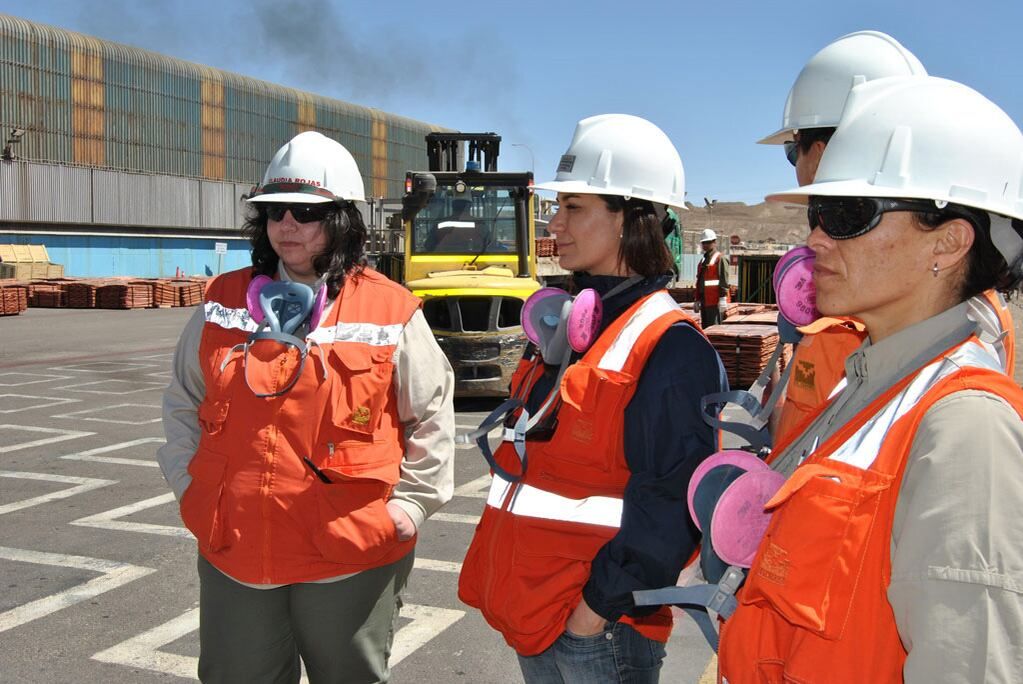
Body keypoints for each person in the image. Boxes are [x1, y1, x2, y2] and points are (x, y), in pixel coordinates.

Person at [718, 76, 1023, 683]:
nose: (815, 238)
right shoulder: (869, 384)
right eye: (817, 213)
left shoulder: (963, 426)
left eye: (849, 215)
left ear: (950, 241)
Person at [157, 130, 455, 684]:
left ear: (343, 220)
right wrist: (189, 487)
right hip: (237, 552)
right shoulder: (222, 303)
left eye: (304, 212)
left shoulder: (389, 310)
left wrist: (405, 512)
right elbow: (183, 402)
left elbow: (431, 418)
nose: (285, 225)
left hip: (348, 556)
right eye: (274, 212)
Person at [458, 114, 728, 682]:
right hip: (537, 615)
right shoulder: (577, 328)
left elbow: (671, 502)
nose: (555, 222)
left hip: (597, 632)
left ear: (632, 220)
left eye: (574, 207)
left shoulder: (671, 347)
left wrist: (593, 611)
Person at [761, 31, 926, 443]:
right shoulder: (877, 280)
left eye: (792, 150)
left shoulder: (885, 296)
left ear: (824, 150)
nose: (794, 166)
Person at [694, 228, 729, 327]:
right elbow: (699, 281)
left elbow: (724, 280)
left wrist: (723, 298)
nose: (705, 245)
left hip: (715, 302)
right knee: (706, 329)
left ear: (714, 242)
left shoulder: (720, 258)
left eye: (708, 242)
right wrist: (697, 299)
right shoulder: (703, 260)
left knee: (714, 328)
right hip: (705, 301)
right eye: (704, 243)